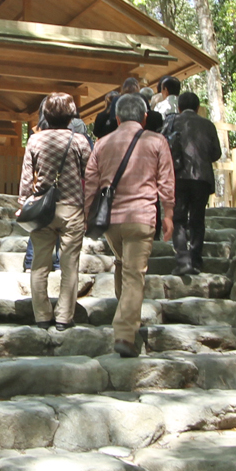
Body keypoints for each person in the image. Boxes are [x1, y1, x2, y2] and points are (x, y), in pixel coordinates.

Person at [83, 93, 174, 357]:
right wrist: (168, 214)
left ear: (118, 117)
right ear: (145, 117)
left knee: (123, 264)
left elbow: (90, 183)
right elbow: (166, 182)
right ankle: (124, 334)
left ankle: (124, 317)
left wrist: (87, 214)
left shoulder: (102, 143)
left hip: (111, 220)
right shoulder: (157, 141)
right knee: (135, 274)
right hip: (142, 217)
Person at [17, 93, 92, 329]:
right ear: (71, 115)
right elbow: (89, 176)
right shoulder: (79, 140)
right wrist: (89, 208)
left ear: (45, 114)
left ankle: (41, 316)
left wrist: (23, 204)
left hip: (42, 210)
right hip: (72, 208)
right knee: (70, 265)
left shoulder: (34, 141)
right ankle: (63, 317)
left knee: (39, 265)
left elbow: (26, 179)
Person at [163, 91, 220, 275]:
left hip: (178, 176)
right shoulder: (208, 125)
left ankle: (183, 261)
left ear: (178, 107)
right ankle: (196, 260)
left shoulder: (172, 123)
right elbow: (216, 153)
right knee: (197, 219)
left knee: (178, 219)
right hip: (201, 178)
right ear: (197, 108)